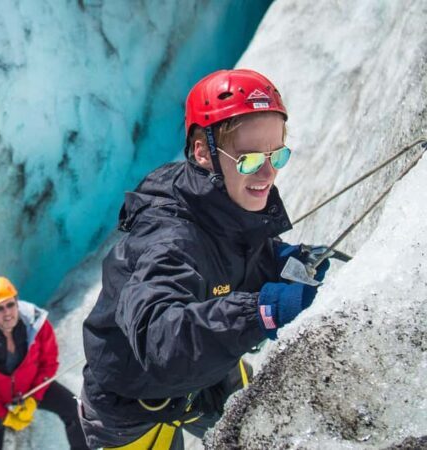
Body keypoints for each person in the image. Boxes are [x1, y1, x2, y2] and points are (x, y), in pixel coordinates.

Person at [79, 69, 331, 449]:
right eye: (249, 160)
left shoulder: (224, 204)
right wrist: (260, 312)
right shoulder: (166, 237)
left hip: (210, 375)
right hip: (133, 407)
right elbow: (160, 340)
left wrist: (281, 261)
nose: (268, 172)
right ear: (202, 153)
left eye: (277, 155)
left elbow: (227, 256)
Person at [0, 276, 89, 450]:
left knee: (75, 409)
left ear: (17, 301)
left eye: (10, 305)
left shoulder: (36, 322)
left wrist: (34, 398)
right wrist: (4, 415)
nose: (7, 313)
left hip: (32, 387)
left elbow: (49, 362)